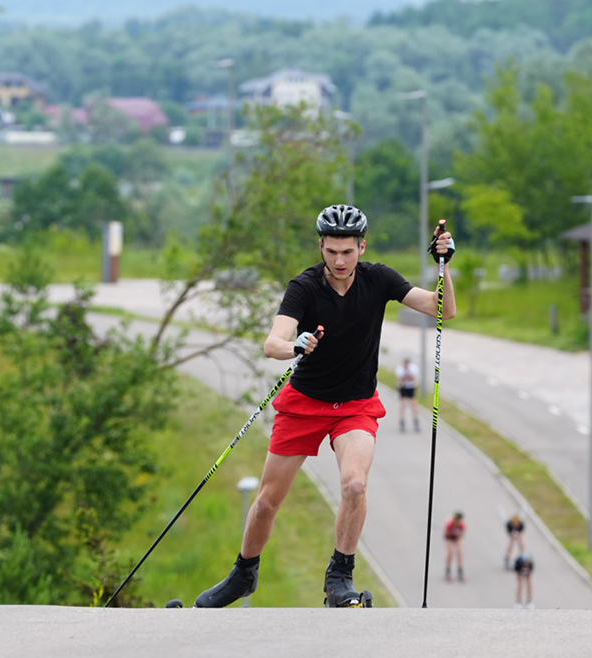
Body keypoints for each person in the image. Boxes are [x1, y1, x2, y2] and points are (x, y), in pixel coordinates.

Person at [195, 203, 456, 608]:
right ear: (321, 246)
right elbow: (272, 343)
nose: (339, 260)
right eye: (331, 251)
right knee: (266, 501)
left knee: (355, 484)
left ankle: (340, 578)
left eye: (347, 251)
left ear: (361, 247)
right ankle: (243, 574)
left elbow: (444, 308)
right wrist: (293, 345)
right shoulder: (304, 287)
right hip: (304, 403)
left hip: (355, 406)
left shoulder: (379, 279)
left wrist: (444, 266)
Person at [396, 356, 420, 432]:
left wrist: (407, 377)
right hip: (403, 388)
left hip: (411, 387)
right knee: (403, 404)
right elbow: (401, 379)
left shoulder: (413, 368)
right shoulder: (400, 369)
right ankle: (402, 421)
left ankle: (416, 420)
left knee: (414, 404)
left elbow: (413, 379)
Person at [444, 511, 466, 582]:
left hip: (457, 538)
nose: (458, 522)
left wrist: (458, 539)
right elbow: (447, 534)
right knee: (451, 553)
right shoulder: (450, 524)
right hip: (449, 537)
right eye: (457, 520)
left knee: (459, 553)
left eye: (459, 520)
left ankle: (460, 571)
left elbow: (462, 535)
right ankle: (448, 571)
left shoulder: (462, 526)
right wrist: (453, 534)